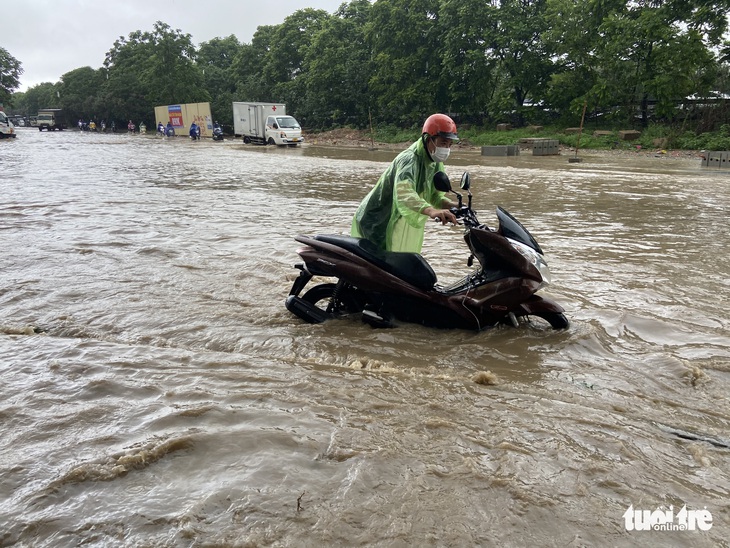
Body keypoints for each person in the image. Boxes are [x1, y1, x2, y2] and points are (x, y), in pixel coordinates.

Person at [350, 113, 460, 253]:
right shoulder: (409, 160)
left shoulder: (433, 163)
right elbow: (404, 193)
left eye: (450, 145)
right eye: (443, 143)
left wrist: (453, 206)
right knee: (381, 268)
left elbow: (433, 196)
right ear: (428, 139)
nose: (446, 149)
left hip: (391, 219)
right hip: (375, 220)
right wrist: (431, 211)